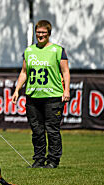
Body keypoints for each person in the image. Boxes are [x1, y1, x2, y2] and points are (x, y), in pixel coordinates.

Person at [11, 20, 70, 169]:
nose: (40, 35)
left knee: (52, 130)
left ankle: (53, 160)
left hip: (53, 97)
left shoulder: (58, 50)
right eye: (38, 32)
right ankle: (38, 159)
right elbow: (24, 72)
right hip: (33, 97)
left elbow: (65, 71)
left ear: (49, 33)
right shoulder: (29, 51)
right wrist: (17, 89)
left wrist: (66, 90)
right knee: (37, 131)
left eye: (43, 32)